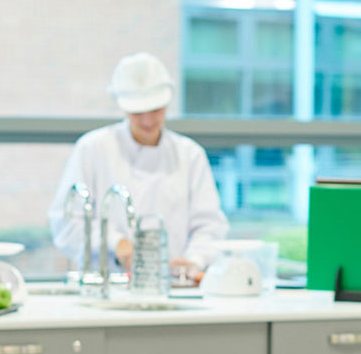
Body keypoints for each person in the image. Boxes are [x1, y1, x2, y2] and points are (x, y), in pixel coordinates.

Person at [48, 53, 229, 283]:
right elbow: (67, 223)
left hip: (175, 284)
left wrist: (194, 260)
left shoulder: (189, 154)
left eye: (156, 110)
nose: (147, 121)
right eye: (137, 113)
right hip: (111, 283)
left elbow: (210, 224)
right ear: (123, 108)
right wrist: (117, 244)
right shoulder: (93, 148)